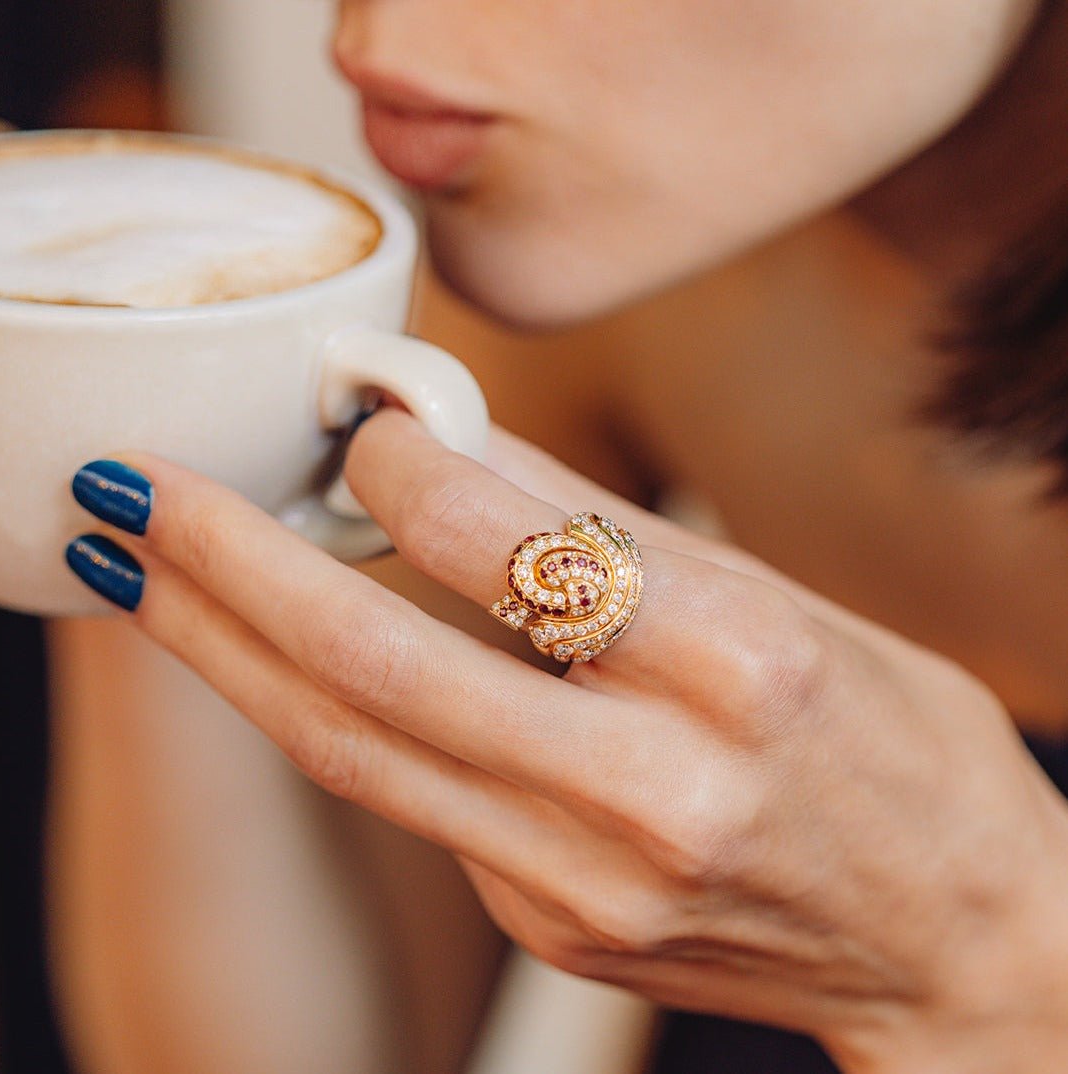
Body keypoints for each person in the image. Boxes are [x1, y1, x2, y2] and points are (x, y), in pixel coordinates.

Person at [54, 0, 1068, 1070]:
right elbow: (336, 1042)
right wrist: (123, 442)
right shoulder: (626, 251)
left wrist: (999, 971)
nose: (368, 22)